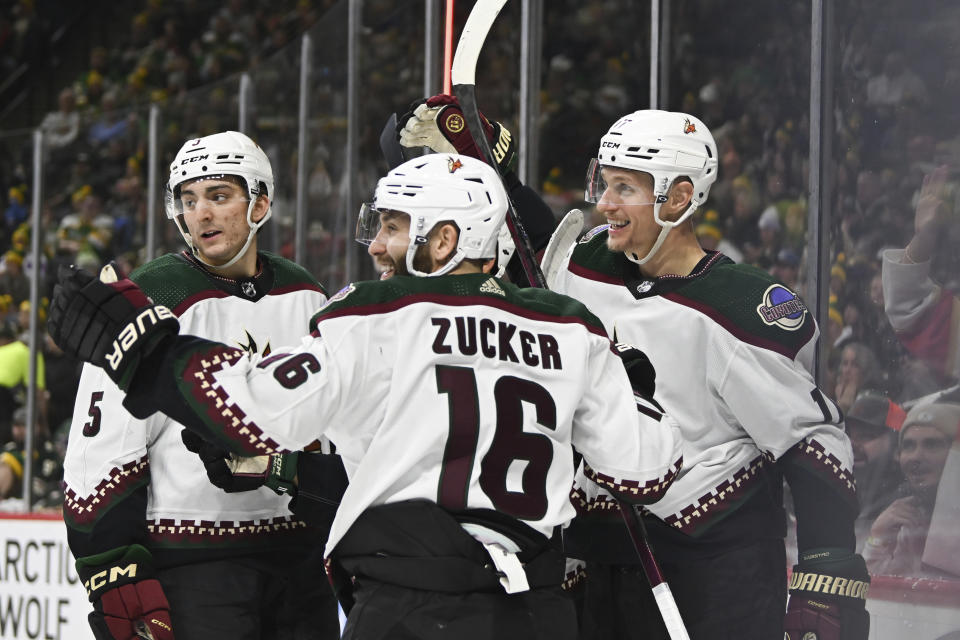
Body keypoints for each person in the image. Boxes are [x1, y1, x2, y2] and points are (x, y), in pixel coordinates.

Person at [48, 153, 683, 640]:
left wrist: (145, 350)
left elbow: (247, 410)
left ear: (445, 241)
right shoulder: (571, 328)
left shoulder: (378, 315)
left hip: (412, 611)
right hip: (539, 612)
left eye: (394, 227)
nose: (375, 245)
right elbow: (651, 471)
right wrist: (638, 389)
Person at [398, 100, 869, 640]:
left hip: (713, 569)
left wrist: (827, 570)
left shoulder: (738, 308)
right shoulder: (591, 261)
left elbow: (810, 440)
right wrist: (489, 169)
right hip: (597, 558)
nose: (604, 203)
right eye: (603, 182)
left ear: (680, 197)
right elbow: (534, 261)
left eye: (625, 188)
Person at [59, 131, 340, 640]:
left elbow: (332, 429)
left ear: (261, 202)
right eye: (188, 200)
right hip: (192, 571)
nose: (201, 215)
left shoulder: (306, 293)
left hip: (298, 562)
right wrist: (116, 574)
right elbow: (97, 452)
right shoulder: (146, 297)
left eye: (218, 196)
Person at [862, 400, 959, 578]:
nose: (916, 456)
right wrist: (877, 538)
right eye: (908, 446)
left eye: (932, 445)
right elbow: (876, 594)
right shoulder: (910, 518)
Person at [845, 390, 906, 548]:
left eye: (866, 436)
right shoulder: (837, 484)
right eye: (849, 435)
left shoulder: (904, 499)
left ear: (897, 446)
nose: (852, 444)